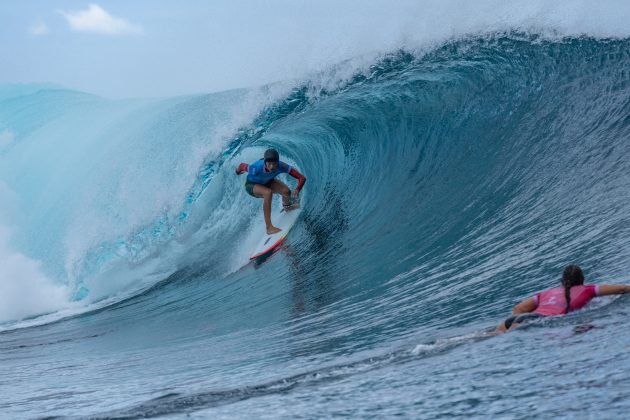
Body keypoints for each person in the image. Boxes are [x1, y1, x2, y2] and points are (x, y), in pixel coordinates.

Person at [496, 264, 630, 333]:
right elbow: (622, 289)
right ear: (582, 280)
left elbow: (519, 308)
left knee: (488, 336)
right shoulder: (588, 289)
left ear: (562, 281)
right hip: (537, 320)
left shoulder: (546, 293)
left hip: (519, 318)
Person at [235, 148, 306, 235]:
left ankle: (287, 207)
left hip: (267, 182)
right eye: (269, 163)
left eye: (274, 163)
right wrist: (237, 171)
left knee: (286, 191)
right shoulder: (256, 168)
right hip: (251, 185)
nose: (272, 166)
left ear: (278, 162)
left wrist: (297, 189)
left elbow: (302, 178)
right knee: (268, 193)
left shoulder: (281, 166)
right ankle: (269, 228)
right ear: (265, 162)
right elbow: (242, 165)